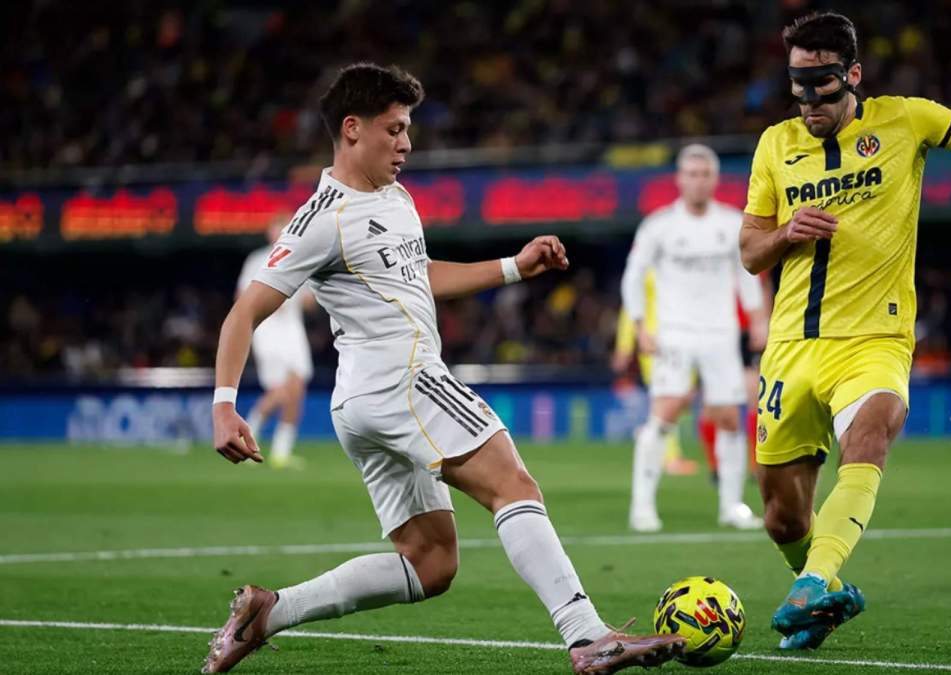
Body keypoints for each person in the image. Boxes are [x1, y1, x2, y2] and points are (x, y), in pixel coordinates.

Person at [205, 62, 683, 674]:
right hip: (401, 379)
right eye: (394, 129)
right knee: (514, 484)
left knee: (430, 563)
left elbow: (420, 275)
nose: (407, 144)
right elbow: (244, 311)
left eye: (408, 130)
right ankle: (587, 635)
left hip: (363, 402)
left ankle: (268, 612)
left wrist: (514, 265)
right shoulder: (323, 218)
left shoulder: (395, 198)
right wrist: (224, 405)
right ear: (351, 129)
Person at [739, 12, 951, 650]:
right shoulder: (774, 145)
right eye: (798, 85)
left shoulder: (907, 120)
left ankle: (817, 578)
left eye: (822, 84)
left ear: (853, 75)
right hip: (791, 346)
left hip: (876, 338)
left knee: (872, 430)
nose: (809, 100)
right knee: (781, 514)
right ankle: (823, 591)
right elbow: (749, 253)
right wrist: (785, 233)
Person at [621, 144, 769, 533]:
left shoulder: (731, 223)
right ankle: (642, 507)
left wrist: (757, 318)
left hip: (721, 335)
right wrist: (640, 327)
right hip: (674, 335)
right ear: (679, 179)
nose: (698, 181)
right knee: (665, 412)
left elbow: (747, 274)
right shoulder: (659, 226)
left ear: (715, 180)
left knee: (728, 419)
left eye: (705, 174)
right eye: (691, 173)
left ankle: (731, 506)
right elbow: (633, 276)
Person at [235, 215, 315, 469]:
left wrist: (302, 298)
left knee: (297, 388)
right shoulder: (257, 260)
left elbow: (310, 301)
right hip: (268, 330)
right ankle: (247, 438)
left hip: (293, 331)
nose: (281, 233)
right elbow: (241, 297)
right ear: (270, 233)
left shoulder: (302, 259)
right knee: (280, 390)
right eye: (277, 229)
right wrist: (268, 302)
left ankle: (281, 452)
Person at [611, 275, 699, 477]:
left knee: (679, 399)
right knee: (667, 397)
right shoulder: (645, 267)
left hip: (681, 341)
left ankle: (649, 435)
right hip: (653, 343)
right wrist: (624, 346)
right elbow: (631, 309)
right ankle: (670, 458)